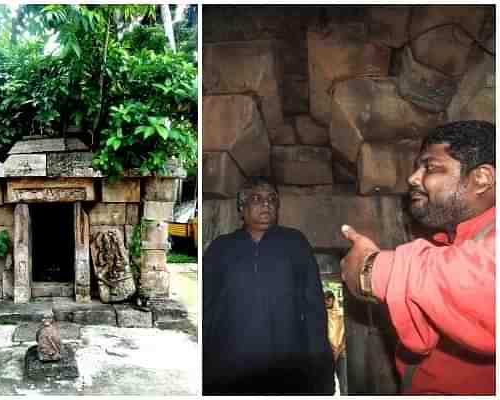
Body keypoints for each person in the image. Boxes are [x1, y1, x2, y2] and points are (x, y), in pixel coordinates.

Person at [339, 120, 495, 395]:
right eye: (417, 168)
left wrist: (372, 269)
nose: (413, 178)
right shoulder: (448, 244)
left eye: (430, 167)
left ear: (481, 178)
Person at [203, 176, 334, 395]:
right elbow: (207, 306)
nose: (266, 204)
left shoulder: (295, 243)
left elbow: (313, 307)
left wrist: (320, 363)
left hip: (287, 362)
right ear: (242, 208)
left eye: (272, 199)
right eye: (257, 198)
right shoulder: (221, 248)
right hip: (230, 364)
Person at [325, 291, 347, 395]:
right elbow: (323, 332)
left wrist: (338, 350)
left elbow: (345, 334)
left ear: (333, 299)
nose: (327, 301)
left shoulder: (341, 314)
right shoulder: (323, 315)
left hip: (341, 352)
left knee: (343, 383)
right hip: (328, 353)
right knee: (328, 384)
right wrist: (331, 347)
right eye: (325, 299)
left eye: (329, 299)